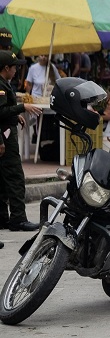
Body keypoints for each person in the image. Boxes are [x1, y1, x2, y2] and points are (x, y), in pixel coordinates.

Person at [0, 50, 42, 233]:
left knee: (2, 180)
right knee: (15, 177)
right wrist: (22, 107)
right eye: (14, 67)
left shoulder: (4, 84)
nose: (17, 70)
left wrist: (16, 115)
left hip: (5, 133)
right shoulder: (0, 86)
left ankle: (2, 218)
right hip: (5, 137)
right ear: (6, 68)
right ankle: (18, 219)